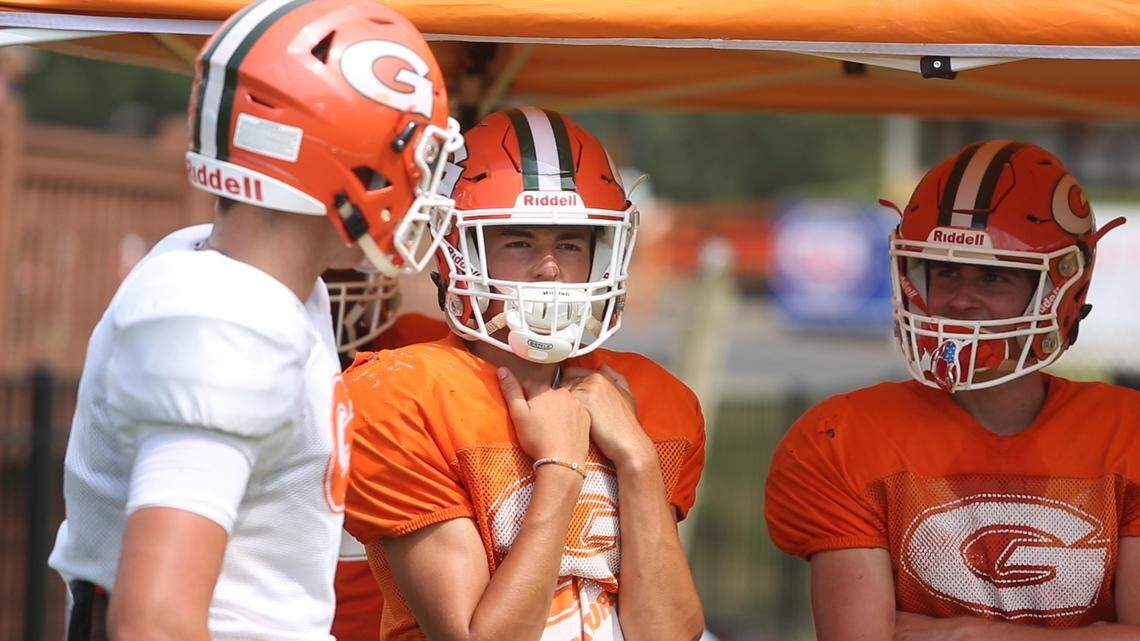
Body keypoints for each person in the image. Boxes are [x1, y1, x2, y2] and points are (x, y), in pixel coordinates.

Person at [46, 1, 462, 639]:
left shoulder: (260, 290)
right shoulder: (225, 315)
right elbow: (155, 623)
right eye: (412, 154)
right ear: (344, 155)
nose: (422, 184)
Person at [338, 107, 706, 641]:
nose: (550, 267)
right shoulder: (400, 398)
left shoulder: (652, 401)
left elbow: (668, 635)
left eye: (570, 243)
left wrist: (638, 460)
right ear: (457, 253)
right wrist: (560, 469)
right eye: (519, 241)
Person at [764, 140, 1140, 640]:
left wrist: (966, 634)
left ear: (1060, 288)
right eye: (946, 272)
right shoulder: (842, 437)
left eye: (994, 276)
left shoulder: (1127, 432)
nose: (962, 299)